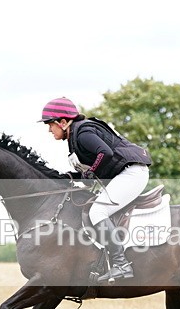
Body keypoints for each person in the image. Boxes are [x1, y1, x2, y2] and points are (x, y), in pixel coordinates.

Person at [39, 97, 152, 283]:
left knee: (98, 211)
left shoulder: (82, 132)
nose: (49, 130)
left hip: (132, 174)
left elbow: (105, 152)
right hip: (125, 174)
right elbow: (90, 175)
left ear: (63, 122)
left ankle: (121, 264)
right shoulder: (75, 136)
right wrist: (66, 178)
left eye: (50, 124)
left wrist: (91, 171)